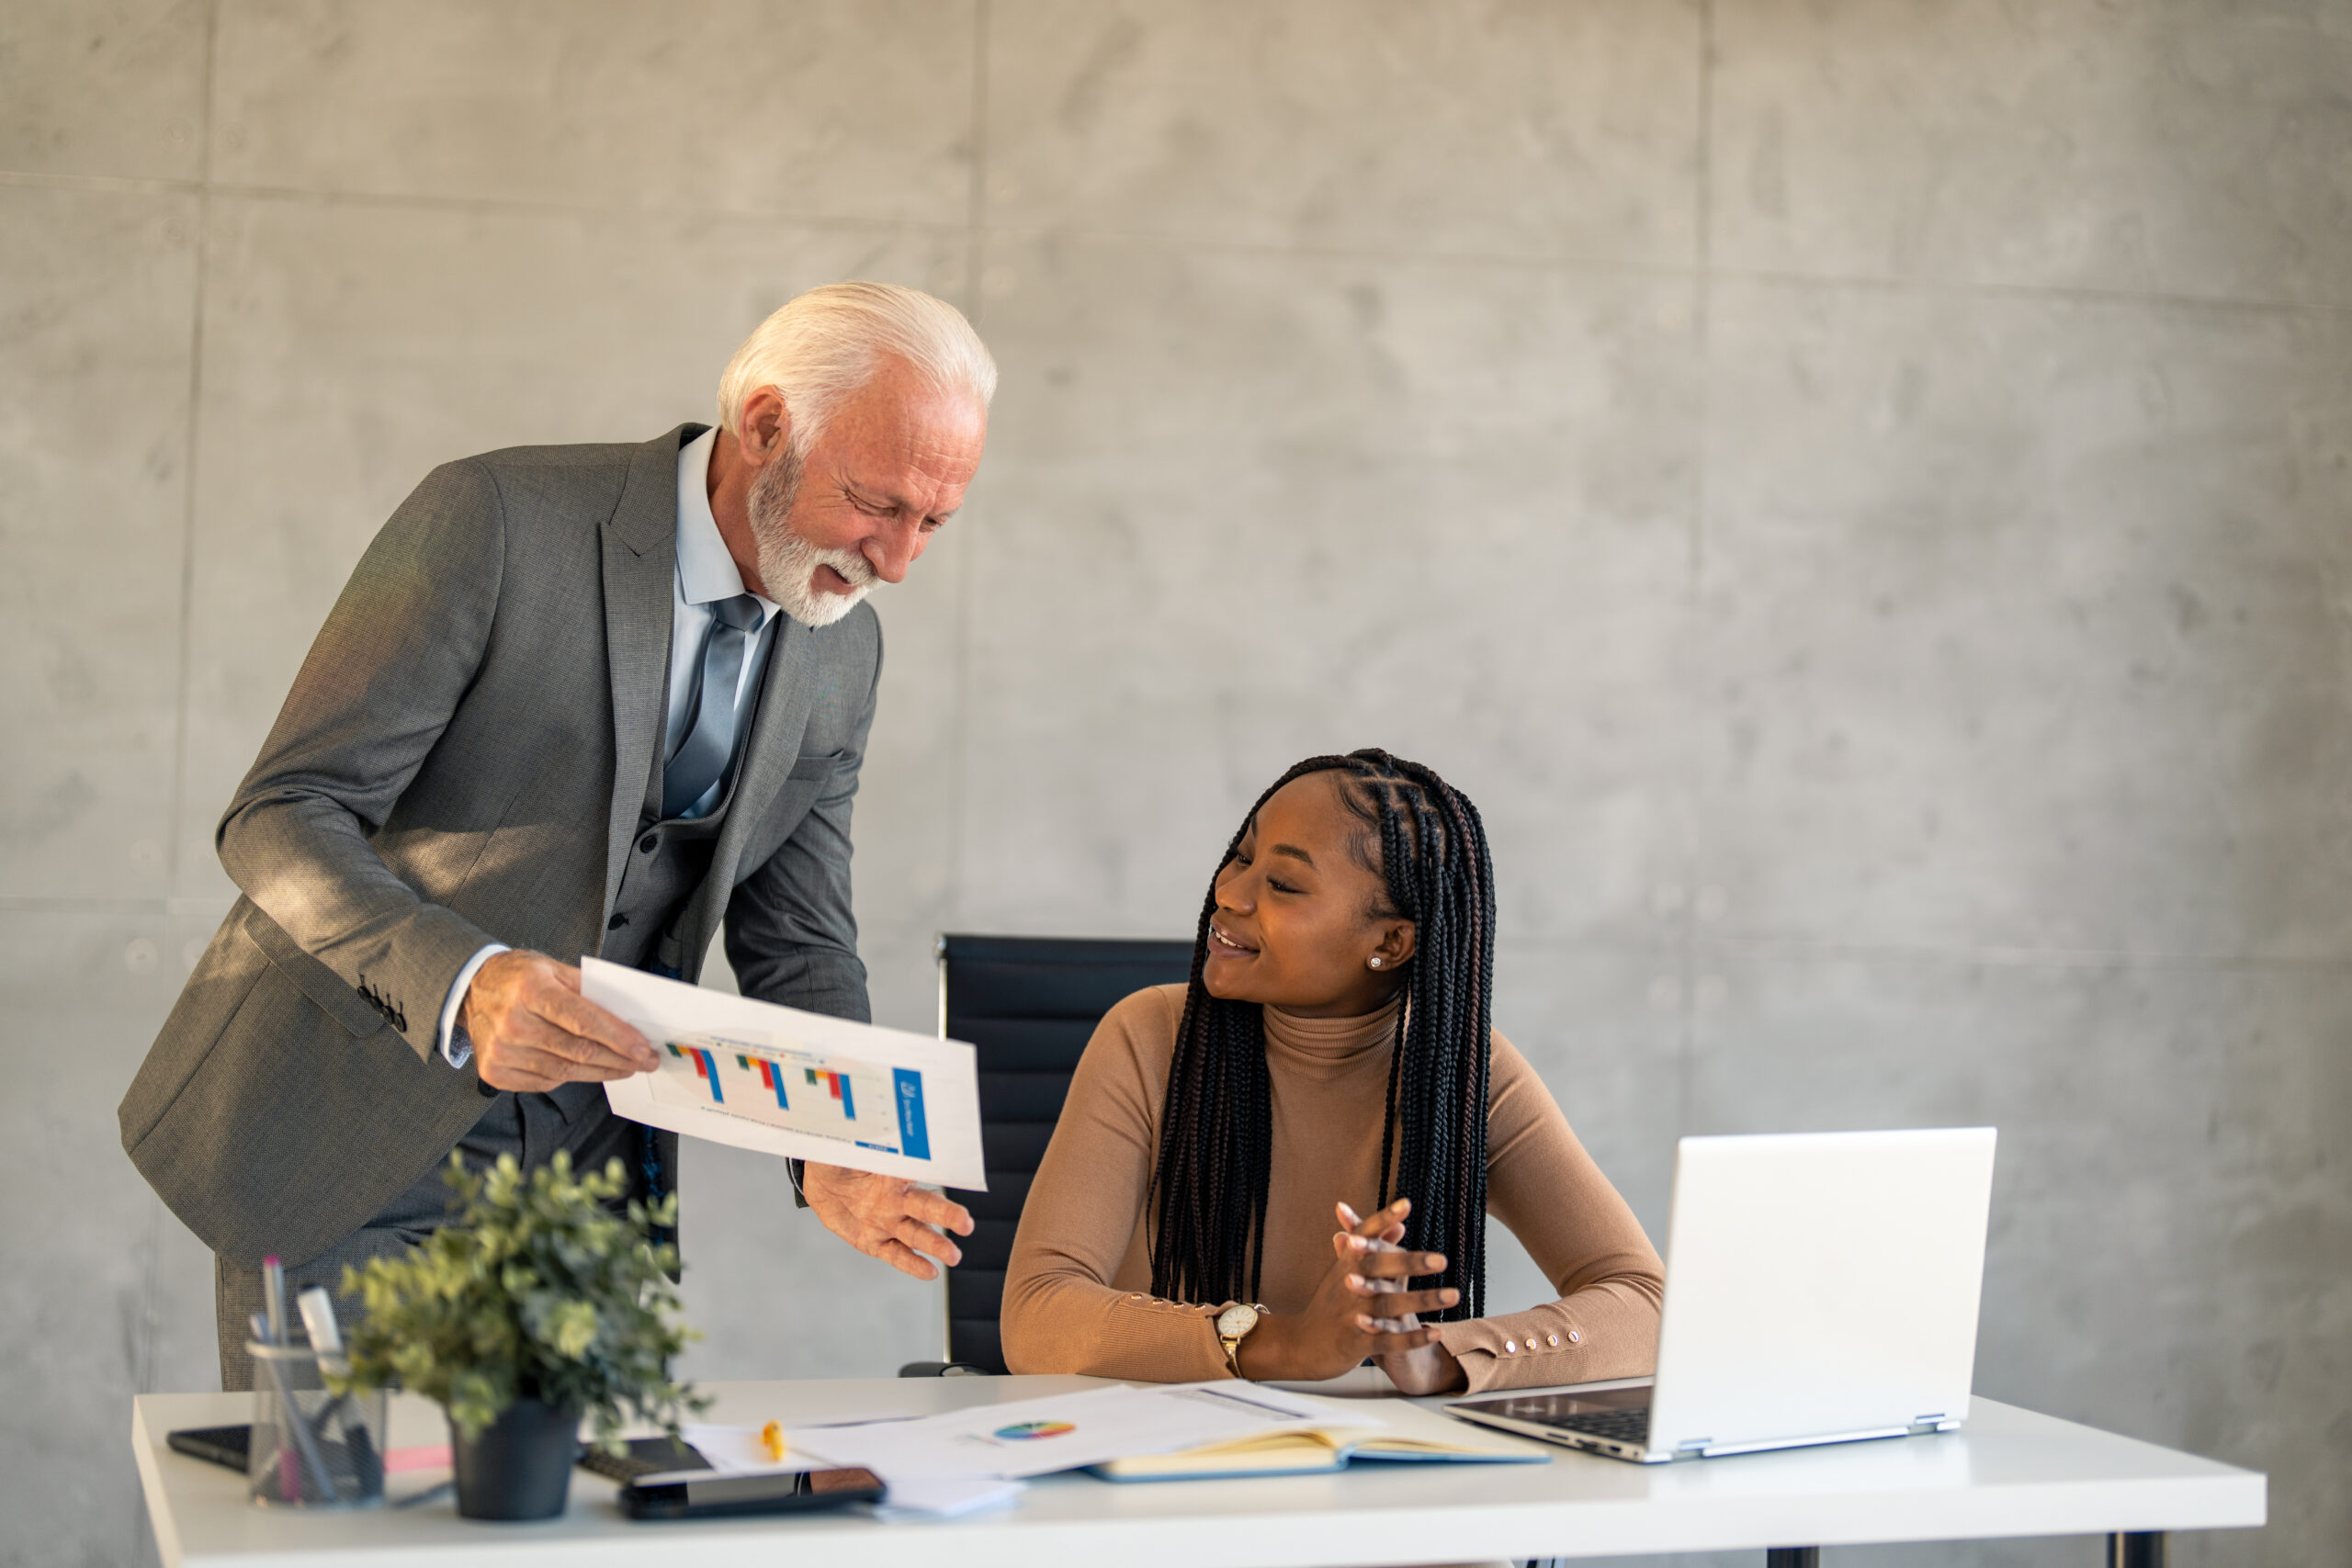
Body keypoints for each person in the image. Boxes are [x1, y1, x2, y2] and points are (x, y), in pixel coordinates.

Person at [120, 283, 987, 1389]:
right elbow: (281, 814)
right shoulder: (489, 516)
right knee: (347, 1550)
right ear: (766, 425)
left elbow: (801, 939)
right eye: (878, 503)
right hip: (354, 1150)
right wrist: (466, 982)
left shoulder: (841, 649)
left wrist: (834, 1143)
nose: (898, 562)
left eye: (935, 522)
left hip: (595, 1191)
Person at [1001, 750, 1664, 1394]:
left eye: (1282, 884)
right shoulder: (1150, 1037)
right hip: (1155, 1457)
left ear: (1389, 943)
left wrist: (1446, 1357)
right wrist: (1286, 1344)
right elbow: (1036, 1315)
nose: (1227, 893)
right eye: (1241, 855)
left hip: (1365, 1472)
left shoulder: (1467, 1077)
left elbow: (1650, 1304)